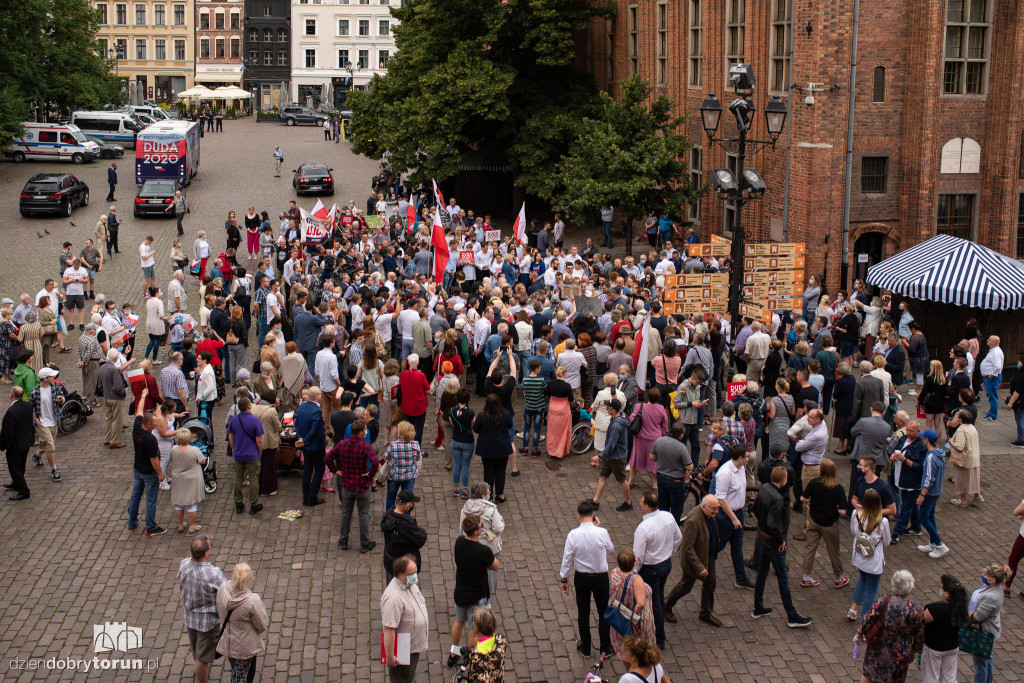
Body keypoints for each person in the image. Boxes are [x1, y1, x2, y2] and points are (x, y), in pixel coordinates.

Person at [751, 465, 813, 628]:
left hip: (762, 536)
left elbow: (756, 509)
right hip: (772, 541)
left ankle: (758, 607)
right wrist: (780, 541)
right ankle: (792, 615)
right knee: (782, 577)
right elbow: (774, 524)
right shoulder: (778, 499)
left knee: (762, 573)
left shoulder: (764, 488)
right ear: (784, 480)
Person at [558, 499, 615, 659]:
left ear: (578, 516)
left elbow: (567, 558)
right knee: (604, 611)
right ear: (593, 515)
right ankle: (606, 646)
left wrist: (564, 579)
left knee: (583, 612)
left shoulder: (573, 535)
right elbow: (610, 549)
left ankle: (586, 647)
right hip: (601, 578)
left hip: (582, 578)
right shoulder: (602, 532)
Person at [447, 514, 501, 668]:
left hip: (460, 592)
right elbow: (496, 566)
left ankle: (453, 654)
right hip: (477, 596)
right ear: (477, 532)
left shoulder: (459, 542)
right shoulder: (483, 551)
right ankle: (469, 658)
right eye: (480, 526)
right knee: (474, 628)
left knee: (459, 622)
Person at [856, 570, 925, 683]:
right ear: (910, 587)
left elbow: (869, 618)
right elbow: (920, 634)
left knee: (869, 674)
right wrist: (916, 651)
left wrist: (859, 632)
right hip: (900, 654)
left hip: (878, 647)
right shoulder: (915, 610)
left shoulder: (884, 600)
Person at [633, 492, 682, 648]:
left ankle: (659, 638)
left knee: (653, 602)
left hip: (650, 568)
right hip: (666, 564)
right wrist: (669, 551)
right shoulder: (668, 517)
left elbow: (638, 555)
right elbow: (678, 537)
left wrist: (634, 572)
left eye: (641, 503)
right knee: (659, 595)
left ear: (646, 507)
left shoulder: (643, 528)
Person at [665, 494, 722, 627]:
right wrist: (699, 567)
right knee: (685, 586)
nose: (717, 511)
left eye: (717, 508)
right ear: (704, 507)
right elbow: (687, 548)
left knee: (710, 584)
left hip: (708, 556)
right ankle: (666, 605)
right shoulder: (693, 520)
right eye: (714, 509)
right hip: (695, 561)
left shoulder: (709, 514)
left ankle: (706, 613)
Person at [177, 536, 227, 683]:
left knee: (195, 646)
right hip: (207, 622)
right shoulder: (212, 574)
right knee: (203, 658)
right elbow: (225, 591)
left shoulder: (184, 564)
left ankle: (197, 668)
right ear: (206, 553)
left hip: (190, 616)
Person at [326, 418, 379, 552]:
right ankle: (364, 543)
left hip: (347, 484)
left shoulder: (342, 444)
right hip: (361, 485)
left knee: (346, 513)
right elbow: (374, 462)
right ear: (361, 432)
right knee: (363, 514)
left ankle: (343, 540)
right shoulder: (365, 446)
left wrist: (335, 470)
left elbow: (328, 458)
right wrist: (370, 474)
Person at [799, 458, 849, 588]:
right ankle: (838, 579)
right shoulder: (838, 488)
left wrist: (811, 503)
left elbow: (803, 498)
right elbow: (843, 511)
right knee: (834, 551)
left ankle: (806, 577)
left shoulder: (814, 483)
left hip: (814, 520)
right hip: (829, 524)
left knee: (810, 548)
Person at [215, 562, 269, 683]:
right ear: (249, 578)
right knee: (242, 677)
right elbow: (261, 625)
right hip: (245, 648)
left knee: (236, 669)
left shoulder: (223, 588)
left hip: (228, 642)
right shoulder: (252, 601)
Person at [381, 555, 430, 683]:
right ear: (400, 574)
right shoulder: (393, 598)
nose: (415, 576)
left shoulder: (409, 584)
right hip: (403, 650)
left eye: (415, 572)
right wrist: (390, 657)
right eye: (411, 573)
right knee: (401, 679)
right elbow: (389, 629)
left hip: (413, 644)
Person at [848, 489, 891, 620]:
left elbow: (853, 531)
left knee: (862, 579)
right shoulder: (882, 522)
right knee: (871, 590)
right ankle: (866, 619)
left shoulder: (855, 514)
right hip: (873, 560)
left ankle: (853, 609)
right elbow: (887, 541)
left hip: (859, 556)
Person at [921, 574, 969, 683]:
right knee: (950, 678)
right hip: (952, 647)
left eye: (942, 588)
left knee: (931, 677)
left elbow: (921, 620)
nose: (940, 589)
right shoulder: (961, 608)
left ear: (947, 593)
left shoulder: (936, 609)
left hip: (934, 648)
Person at [609, 548, 655, 655]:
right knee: (640, 652)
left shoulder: (614, 573)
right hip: (633, 623)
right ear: (635, 564)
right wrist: (633, 618)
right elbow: (641, 603)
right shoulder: (636, 580)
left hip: (619, 617)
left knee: (625, 651)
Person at [591, 398, 632, 511]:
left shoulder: (616, 426)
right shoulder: (621, 415)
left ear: (613, 410)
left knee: (621, 480)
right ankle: (595, 501)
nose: (606, 409)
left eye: (608, 407)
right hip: (612, 456)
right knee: (603, 476)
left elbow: (611, 445)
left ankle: (628, 502)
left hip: (616, 457)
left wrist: (599, 456)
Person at [473, 394, 513, 503]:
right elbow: (510, 425)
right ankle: (500, 494)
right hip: (502, 448)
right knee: (501, 471)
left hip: (487, 449)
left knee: (488, 472)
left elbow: (475, 429)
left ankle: (488, 495)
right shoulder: (505, 414)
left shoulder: (482, 415)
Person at [227, 396, 264, 516]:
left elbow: (230, 437)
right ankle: (253, 505)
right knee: (253, 479)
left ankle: (238, 503)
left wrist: (233, 448)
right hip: (252, 454)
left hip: (238, 453)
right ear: (249, 406)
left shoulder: (234, 419)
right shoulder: (255, 420)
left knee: (238, 478)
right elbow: (259, 439)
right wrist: (260, 451)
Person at [968, 564, 1005, 683]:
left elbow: (978, 617)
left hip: (983, 632)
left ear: (992, 580)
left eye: (985, 575)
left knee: (980, 664)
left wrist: (968, 614)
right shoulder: (996, 587)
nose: (982, 576)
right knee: (987, 658)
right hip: (991, 629)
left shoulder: (991, 597)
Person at [381, 490, 427, 584]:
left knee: (391, 587)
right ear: (407, 506)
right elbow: (420, 539)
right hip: (404, 566)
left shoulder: (389, 514)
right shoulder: (407, 524)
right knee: (405, 593)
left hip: (390, 562)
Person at [649, 423, 693, 523]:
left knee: (663, 507)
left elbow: (652, 457)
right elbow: (689, 466)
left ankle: (662, 527)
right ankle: (672, 530)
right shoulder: (681, 447)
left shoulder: (659, 440)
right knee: (676, 509)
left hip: (661, 478)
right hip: (676, 481)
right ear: (681, 434)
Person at [29, 366, 67, 481]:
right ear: (45, 379)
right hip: (42, 423)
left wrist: (61, 399)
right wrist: (36, 420)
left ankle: (38, 455)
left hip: (54, 420)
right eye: (51, 376)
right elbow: (31, 408)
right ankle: (54, 470)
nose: (54, 377)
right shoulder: (35, 392)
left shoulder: (54, 386)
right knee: (51, 446)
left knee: (47, 443)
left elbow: (62, 397)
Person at [627, 388, 668, 491]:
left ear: (647, 396)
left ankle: (630, 480)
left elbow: (631, 419)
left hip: (640, 438)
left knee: (635, 458)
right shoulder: (661, 408)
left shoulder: (639, 406)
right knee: (654, 461)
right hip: (655, 439)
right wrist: (663, 433)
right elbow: (665, 424)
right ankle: (654, 483)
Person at [294, 386, 327, 507]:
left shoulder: (302, 406)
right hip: (316, 446)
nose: (321, 395)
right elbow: (314, 430)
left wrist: (300, 438)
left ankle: (305, 495)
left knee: (307, 469)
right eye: (320, 393)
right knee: (319, 469)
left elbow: (297, 424)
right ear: (316, 397)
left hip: (306, 446)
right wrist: (305, 440)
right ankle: (312, 497)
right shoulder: (317, 411)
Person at [169, 428, 207, 534]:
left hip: (178, 477)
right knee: (191, 503)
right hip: (192, 478)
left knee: (178, 502)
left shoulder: (174, 449)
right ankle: (192, 526)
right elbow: (202, 461)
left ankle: (180, 524)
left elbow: (171, 459)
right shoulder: (194, 450)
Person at [0, 386, 34, 500]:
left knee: (14, 468)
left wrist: (4, 445)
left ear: (11, 395)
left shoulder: (11, 412)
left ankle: (24, 491)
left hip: (16, 444)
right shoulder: (28, 406)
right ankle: (16, 483)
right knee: (21, 464)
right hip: (26, 441)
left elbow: (7, 432)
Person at [382, 421, 422, 512]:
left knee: (391, 497)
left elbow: (385, 458)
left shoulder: (393, 445)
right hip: (409, 475)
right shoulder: (415, 444)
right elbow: (418, 458)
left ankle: (390, 516)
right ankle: (405, 517)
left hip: (394, 476)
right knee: (407, 499)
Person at [461, 606, 508, 682]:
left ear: (476, 627)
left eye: (473, 619)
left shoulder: (477, 658)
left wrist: (472, 653)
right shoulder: (500, 639)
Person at [948, 408, 982, 506]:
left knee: (962, 478)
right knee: (973, 477)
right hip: (974, 457)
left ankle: (962, 500)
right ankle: (977, 495)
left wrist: (951, 442)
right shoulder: (972, 427)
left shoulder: (961, 430)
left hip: (964, 459)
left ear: (961, 420)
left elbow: (959, 446)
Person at [250, 393, 281, 497]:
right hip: (268, 442)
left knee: (258, 465)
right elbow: (278, 427)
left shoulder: (253, 408)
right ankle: (267, 489)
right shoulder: (271, 411)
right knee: (269, 466)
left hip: (255, 441)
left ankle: (257, 487)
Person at [447, 388, 475, 497]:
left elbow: (452, 424)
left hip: (455, 440)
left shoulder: (452, 411)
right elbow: (472, 425)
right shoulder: (470, 413)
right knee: (465, 465)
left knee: (457, 464)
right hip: (467, 441)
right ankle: (465, 490)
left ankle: (456, 488)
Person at [545, 365, 574, 468]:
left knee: (552, 430)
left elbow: (547, 394)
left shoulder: (550, 383)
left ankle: (551, 449)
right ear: (565, 374)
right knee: (563, 431)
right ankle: (561, 450)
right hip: (563, 411)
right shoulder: (567, 386)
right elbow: (571, 399)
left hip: (552, 409)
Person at [399, 353, 430, 443]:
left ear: (408, 363)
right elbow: (428, 390)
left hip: (407, 406)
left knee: (408, 428)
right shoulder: (421, 375)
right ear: (417, 363)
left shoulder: (403, 374)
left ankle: (408, 445)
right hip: (419, 406)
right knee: (419, 429)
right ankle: (417, 448)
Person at [979, 335, 1003, 421]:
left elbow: (997, 366)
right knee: (990, 395)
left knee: (993, 396)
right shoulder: (993, 351)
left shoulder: (996, 352)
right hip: (989, 378)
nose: (987, 340)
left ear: (993, 342)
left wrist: (992, 374)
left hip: (992, 378)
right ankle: (991, 411)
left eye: (989, 339)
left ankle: (993, 416)